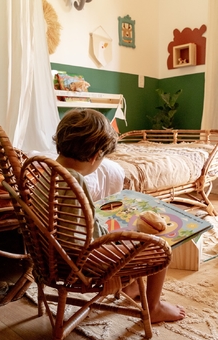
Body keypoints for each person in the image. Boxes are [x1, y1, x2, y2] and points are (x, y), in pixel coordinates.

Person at [52, 108, 186, 324]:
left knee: (125, 227)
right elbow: (89, 240)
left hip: (52, 257)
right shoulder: (74, 182)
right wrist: (128, 235)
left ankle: (132, 286)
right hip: (81, 264)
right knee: (159, 245)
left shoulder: (47, 171)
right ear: (96, 156)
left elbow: (77, 223)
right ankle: (153, 306)